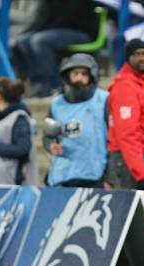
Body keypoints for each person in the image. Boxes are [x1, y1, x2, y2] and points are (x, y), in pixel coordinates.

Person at [44, 53, 109, 188]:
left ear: (92, 76)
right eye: (75, 73)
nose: (79, 77)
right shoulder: (56, 105)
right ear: (68, 75)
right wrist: (51, 146)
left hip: (95, 176)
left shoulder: (104, 100)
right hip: (63, 175)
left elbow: (116, 140)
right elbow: (48, 137)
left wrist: (110, 177)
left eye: (84, 74)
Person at [10, 0, 98, 97]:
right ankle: (38, 83)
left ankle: (53, 86)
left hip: (81, 32)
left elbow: (68, 17)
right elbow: (43, 19)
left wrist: (41, 31)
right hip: (55, 31)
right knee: (20, 42)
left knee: (40, 41)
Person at [106, 38, 144, 193]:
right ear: (128, 58)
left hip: (143, 158)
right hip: (129, 162)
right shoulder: (125, 87)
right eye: (137, 54)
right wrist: (141, 174)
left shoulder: (143, 85)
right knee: (129, 215)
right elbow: (127, 134)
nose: (142, 58)